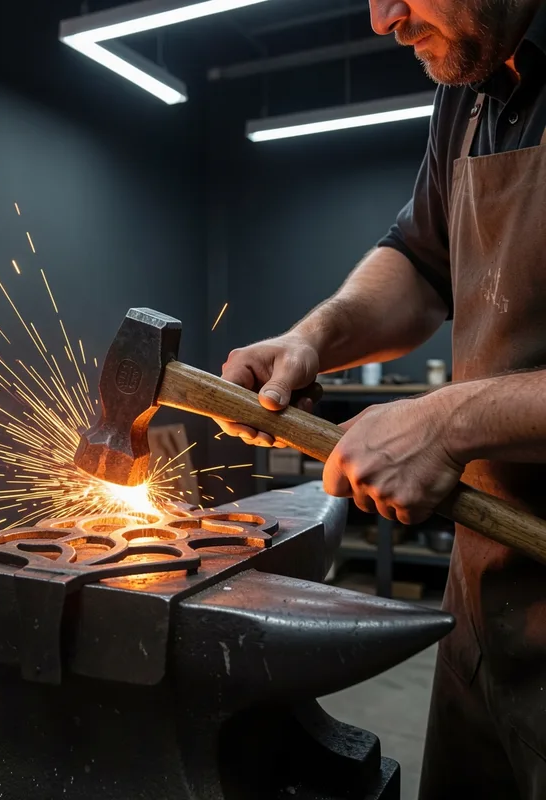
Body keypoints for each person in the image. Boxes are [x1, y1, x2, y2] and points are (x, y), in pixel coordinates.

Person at [217, 1, 546, 797]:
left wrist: (450, 419)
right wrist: (314, 338)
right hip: (486, 605)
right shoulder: (471, 82)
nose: (381, 18)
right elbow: (420, 264)